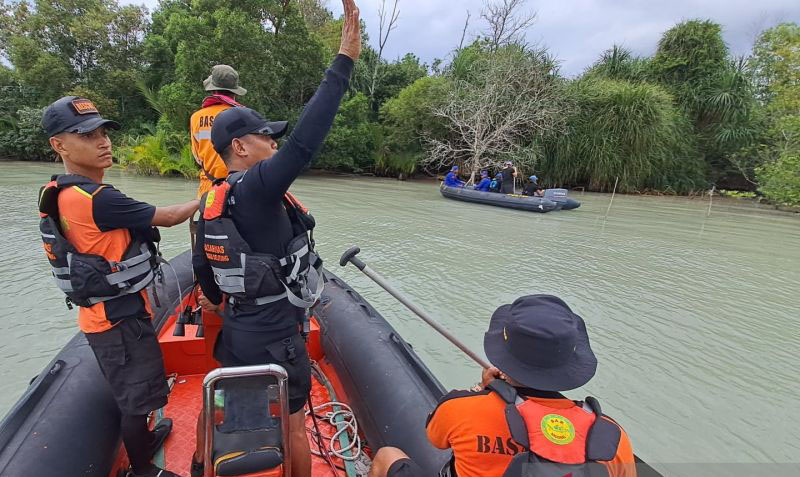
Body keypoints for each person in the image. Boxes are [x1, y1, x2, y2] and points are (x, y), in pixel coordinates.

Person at [190, 1, 361, 476]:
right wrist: (343, 60)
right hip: (277, 340)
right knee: (292, 425)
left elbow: (204, 270)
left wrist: (216, 303)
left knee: (218, 404)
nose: (276, 143)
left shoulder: (213, 200)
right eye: (268, 136)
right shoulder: (261, 187)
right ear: (241, 148)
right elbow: (308, 140)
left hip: (240, 332)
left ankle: (198, 462)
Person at [37, 96, 200, 477]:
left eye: (103, 132)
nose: (103, 142)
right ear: (59, 145)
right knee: (137, 399)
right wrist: (206, 198)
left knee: (135, 389)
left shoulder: (59, 192)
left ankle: (144, 443)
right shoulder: (99, 199)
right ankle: (142, 469)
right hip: (117, 319)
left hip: (102, 314)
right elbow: (171, 217)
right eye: (87, 135)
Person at [426, 295, 636, 477]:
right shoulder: (614, 438)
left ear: (504, 356)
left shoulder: (460, 409)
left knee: (392, 455)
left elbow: (436, 439)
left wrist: (482, 389)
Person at [190, 64, 247, 198]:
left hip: (208, 189)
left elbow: (197, 157)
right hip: (238, 188)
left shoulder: (196, 117)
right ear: (235, 91)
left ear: (213, 90)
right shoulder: (244, 115)